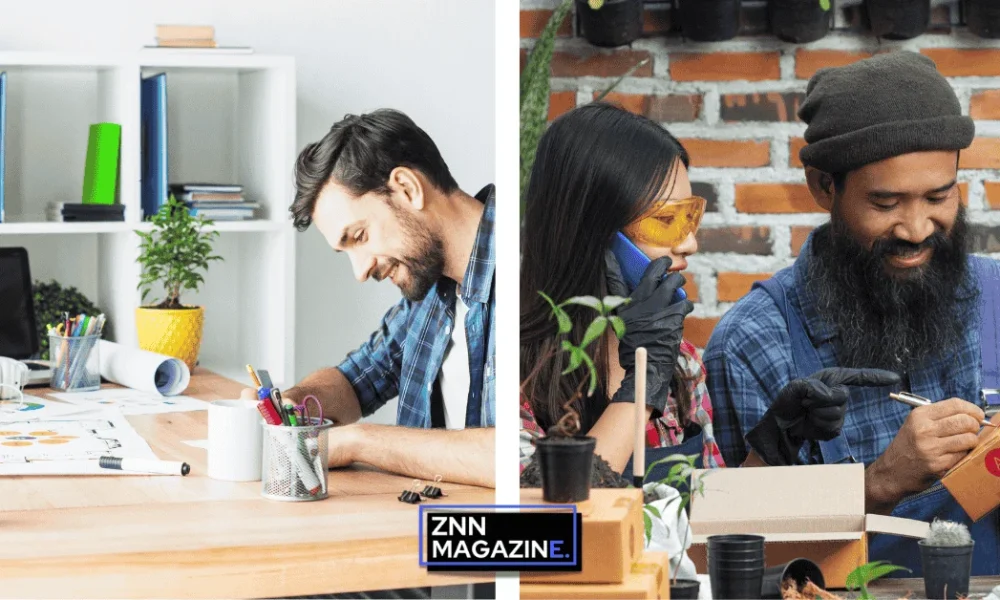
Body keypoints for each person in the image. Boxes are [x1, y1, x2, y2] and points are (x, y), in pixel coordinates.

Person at [704, 51, 999, 575]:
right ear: (823, 186)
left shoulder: (995, 295)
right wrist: (879, 482)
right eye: (886, 204)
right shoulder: (753, 343)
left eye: (939, 196)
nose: (916, 229)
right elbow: (729, 554)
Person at [242, 109, 495, 488]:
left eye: (358, 237)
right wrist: (295, 405)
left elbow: (518, 454)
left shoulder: (536, 271)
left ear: (407, 188)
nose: (360, 272)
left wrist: (358, 442)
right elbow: (356, 381)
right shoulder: (429, 290)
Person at [520, 103, 725, 485]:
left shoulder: (682, 366)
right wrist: (642, 388)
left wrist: (771, 446)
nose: (690, 243)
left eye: (689, 217)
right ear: (592, 238)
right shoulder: (515, 376)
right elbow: (547, 527)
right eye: (665, 221)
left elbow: (711, 519)